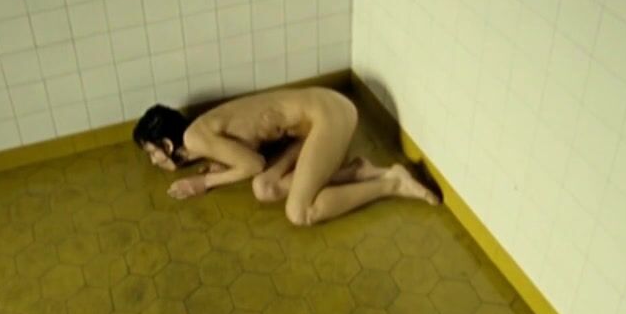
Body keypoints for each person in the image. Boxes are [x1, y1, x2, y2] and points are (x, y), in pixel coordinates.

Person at [132, 87, 441, 227]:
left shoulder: (193, 138)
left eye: (151, 153)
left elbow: (253, 164)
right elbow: (250, 158)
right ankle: (360, 171)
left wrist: (205, 183)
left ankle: (392, 183)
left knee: (300, 213)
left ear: (167, 145)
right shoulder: (199, 136)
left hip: (329, 114)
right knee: (264, 188)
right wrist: (219, 166)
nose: (153, 161)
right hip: (309, 127)